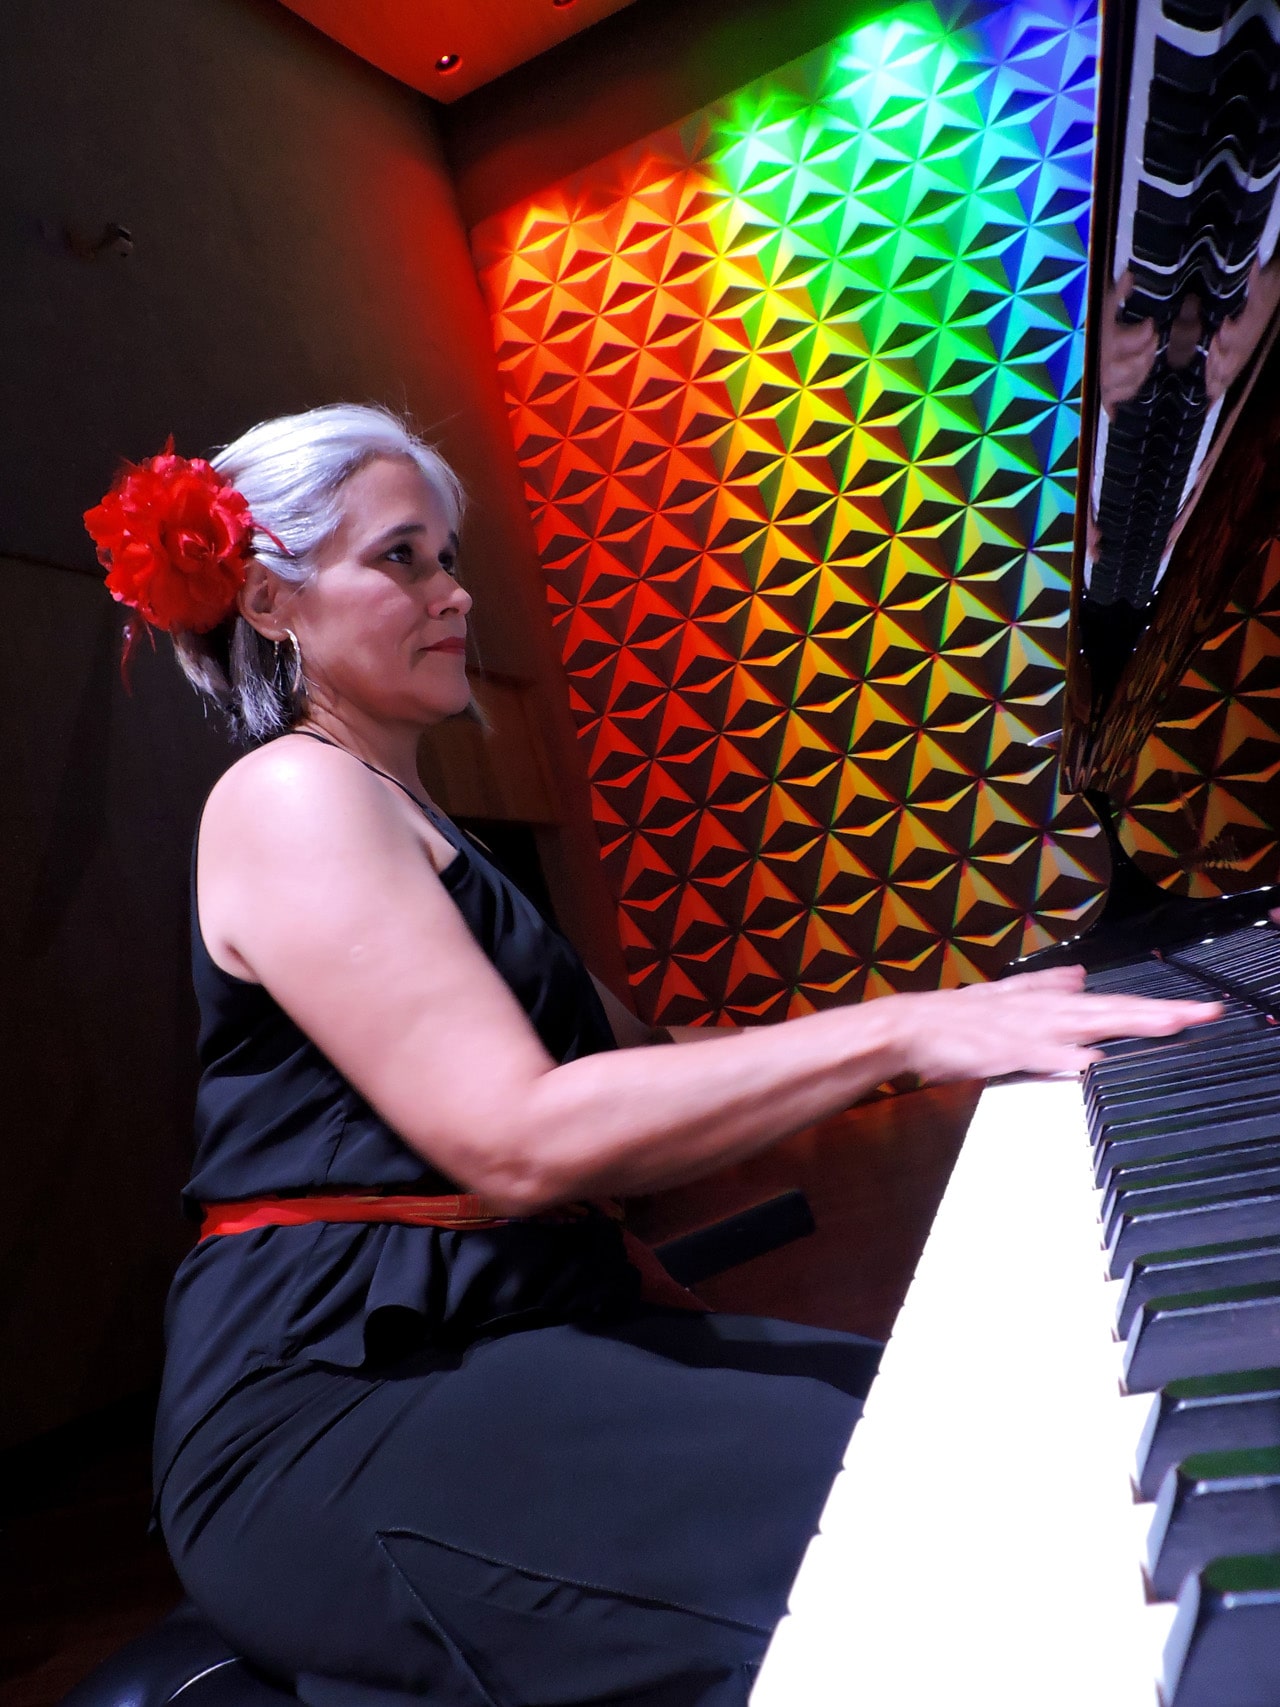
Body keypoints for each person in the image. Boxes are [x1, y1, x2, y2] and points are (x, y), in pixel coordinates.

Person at [84, 404, 1220, 1707]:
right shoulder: (290, 793)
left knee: (983, 1423)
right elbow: (519, 1136)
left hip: (505, 1336)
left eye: (449, 558)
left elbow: (651, 1059)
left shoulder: (421, 826)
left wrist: (960, 1023)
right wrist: (911, 1029)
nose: (454, 592)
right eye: (402, 557)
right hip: (331, 1406)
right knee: (949, 1518)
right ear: (271, 598)